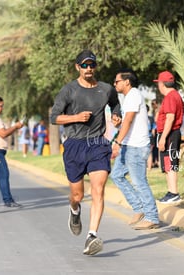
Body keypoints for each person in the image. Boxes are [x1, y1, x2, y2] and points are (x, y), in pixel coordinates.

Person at [50, 49, 121, 256]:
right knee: (77, 194)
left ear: (95, 67)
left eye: (91, 65)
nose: (88, 69)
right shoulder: (69, 90)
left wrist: (116, 115)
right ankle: (74, 210)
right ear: (77, 67)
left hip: (98, 145)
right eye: (84, 65)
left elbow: (116, 104)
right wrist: (75, 118)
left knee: (98, 190)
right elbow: (55, 117)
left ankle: (92, 235)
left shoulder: (106, 89)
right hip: (74, 145)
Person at [110, 68, 159, 230]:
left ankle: (152, 216)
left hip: (136, 147)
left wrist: (117, 142)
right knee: (117, 175)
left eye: (117, 81)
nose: (114, 84)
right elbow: (127, 122)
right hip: (129, 145)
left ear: (127, 82)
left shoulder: (134, 95)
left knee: (139, 182)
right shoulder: (129, 97)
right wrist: (118, 124)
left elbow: (129, 120)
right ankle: (139, 208)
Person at [154, 71, 184, 203]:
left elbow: (170, 118)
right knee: (167, 163)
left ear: (162, 84)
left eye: (159, 83)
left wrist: (163, 137)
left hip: (170, 133)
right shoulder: (174, 95)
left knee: (170, 163)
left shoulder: (171, 97)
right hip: (170, 133)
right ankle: (171, 191)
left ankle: (174, 193)